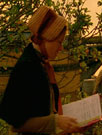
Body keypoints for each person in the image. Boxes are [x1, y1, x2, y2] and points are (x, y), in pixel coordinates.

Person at [0, 6, 83, 135]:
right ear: (45, 39)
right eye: (58, 42)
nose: (61, 48)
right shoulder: (27, 67)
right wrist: (56, 122)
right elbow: (15, 123)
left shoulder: (41, 64)